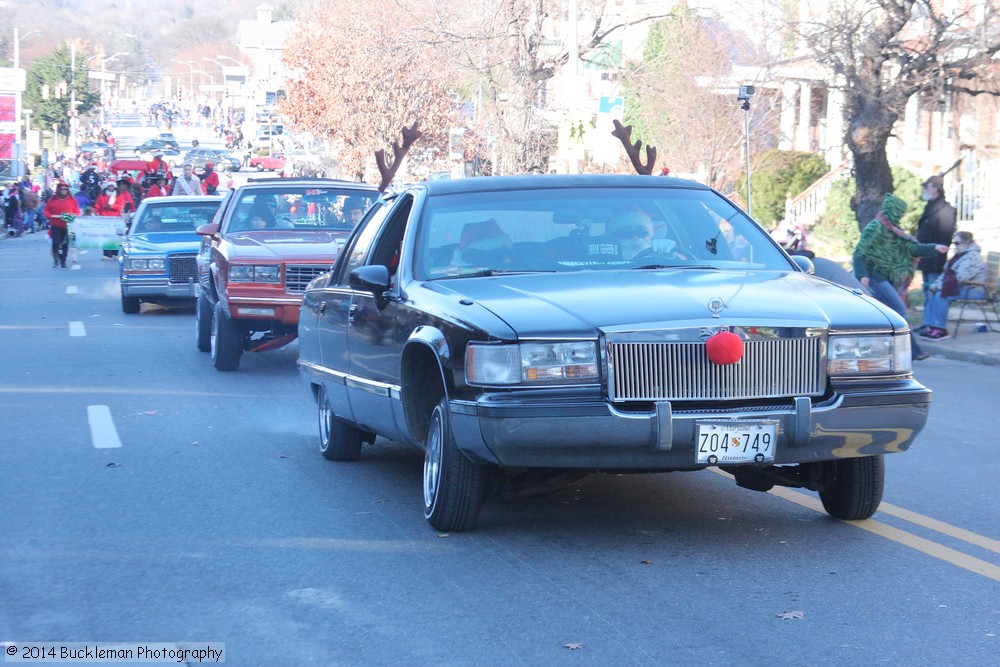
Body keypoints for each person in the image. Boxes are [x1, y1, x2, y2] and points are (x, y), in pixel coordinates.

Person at [852, 193, 948, 361]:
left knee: (884, 315)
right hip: (874, 276)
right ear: (893, 210)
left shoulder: (895, 231)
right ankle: (913, 351)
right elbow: (860, 252)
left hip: (886, 277)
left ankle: (885, 350)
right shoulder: (875, 228)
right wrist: (862, 275)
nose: (901, 215)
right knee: (899, 310)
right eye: (899, 212)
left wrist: (935, 248)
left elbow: (911, 249)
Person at [918, 231, 989, 340]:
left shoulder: (973, 256)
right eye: (953, 243)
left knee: (942, 295)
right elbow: (946, 273)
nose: (954, 246)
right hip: (962, 287)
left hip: (975, 290)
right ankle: (932, 326)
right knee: (932, 292)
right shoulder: (960, 255)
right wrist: (935, 285)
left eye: (957, 243)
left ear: (966, 243)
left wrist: (939, 287)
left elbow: (961, 277)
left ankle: (940, 329)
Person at [915, 174, 957, 307]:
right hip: (925, 258)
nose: (924, 190)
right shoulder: (930, 206)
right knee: (926, 289)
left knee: (933, 290)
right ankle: (928, 324)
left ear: (935, 189)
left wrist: (936, 257)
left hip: (934, 260)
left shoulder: (946, 210)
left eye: (927, 187)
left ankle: (933, 324)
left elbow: (945, 237)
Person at [42, 180, 80, 268]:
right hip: (55, 225)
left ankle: (63, 261)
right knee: (56, 242)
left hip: (67, 226)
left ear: (68, 190)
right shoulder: (52, 199)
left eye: (65, 189)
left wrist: (73, 216)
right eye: (61, 189)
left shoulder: (72, 200)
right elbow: (46, 210)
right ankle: (56, 259)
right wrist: (49, 216)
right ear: (58, 189)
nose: (63, 190)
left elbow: (77, 211)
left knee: (65, 244)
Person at [95, 181, 127, 260]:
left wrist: (111, 206)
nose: (110, 188)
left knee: (116, 237)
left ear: (114, 187)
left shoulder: (119, 196)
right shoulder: (102, 196)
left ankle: (115, 253)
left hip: (115, 219)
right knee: (106, 237)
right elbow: (97, 206)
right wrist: (97, 213)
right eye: (109, 186)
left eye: (112, 186)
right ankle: (106, 254)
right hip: (105, 219)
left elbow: (120, 206)